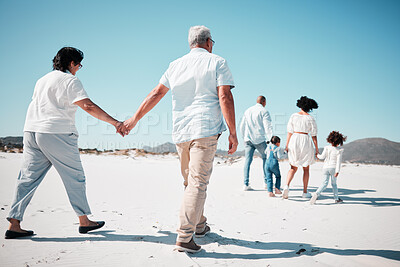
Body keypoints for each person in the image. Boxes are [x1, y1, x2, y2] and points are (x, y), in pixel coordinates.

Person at [123, 25, 237, 253]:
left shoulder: (175, 65)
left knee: (190, 182)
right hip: (205, 129)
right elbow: (224, 95)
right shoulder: (217, 61)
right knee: (197, 183)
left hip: (181, 132)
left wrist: (134, 119)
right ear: (208, 42)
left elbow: (156, 93)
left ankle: (200, 225)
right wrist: (233, 133)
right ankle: (185, 236)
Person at [5, 47, 126, 239]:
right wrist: (116, 123)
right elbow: (87, 105)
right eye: (79, 64)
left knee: (27, 178)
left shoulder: (42, 80)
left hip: (31, 130)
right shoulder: (70, 80)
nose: (79, 68)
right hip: (56, 133)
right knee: (75, 177)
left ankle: (14, 224)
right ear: (71, 63)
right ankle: (84, 222)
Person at [282, 96, 319, 199]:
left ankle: (286, 186)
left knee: (293, 167)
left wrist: (286, 146)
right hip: (305, 140)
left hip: (294, 139)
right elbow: (314, 135)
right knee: (306, 168)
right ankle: (305, 192)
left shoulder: (294, 116)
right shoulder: (311, 118)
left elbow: (289, 132)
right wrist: (316, 149)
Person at [239, 96, 273, 191]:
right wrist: (271, 140)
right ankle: (266, 183)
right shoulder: (264, 111)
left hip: (248, 140)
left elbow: (242, 126)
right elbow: (268, 127)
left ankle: (245, 184)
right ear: (264, 101)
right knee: (265, 158)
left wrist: (244, 138)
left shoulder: (248, 110)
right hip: (260, 139)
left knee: (247, 161)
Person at [310, 131, 346, 204]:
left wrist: (317, 155)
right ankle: (336, 198)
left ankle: (316, 193)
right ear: (339, 141)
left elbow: (322, 157)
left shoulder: (327, 148)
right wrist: (337, 171)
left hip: (325, 168)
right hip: (333, 168)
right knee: (334, 184)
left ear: (330, 140)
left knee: (324, 183)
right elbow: (338, 162)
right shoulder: (339, 150)